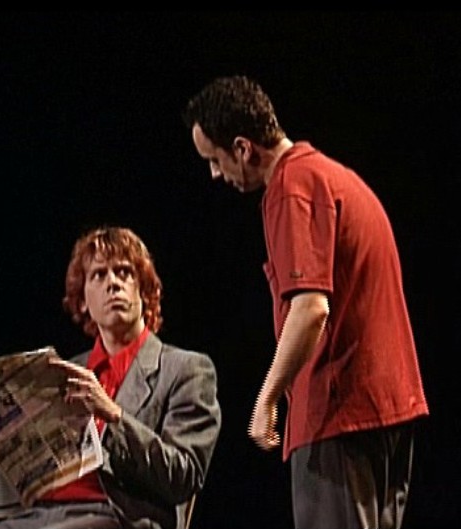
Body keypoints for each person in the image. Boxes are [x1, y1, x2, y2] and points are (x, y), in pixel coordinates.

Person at [182, 75, 429, 529]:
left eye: (215, 160)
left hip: (339, 415)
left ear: (242, 148)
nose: (215, 174)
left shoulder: (291, 186)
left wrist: (267, 398)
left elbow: (311, 307)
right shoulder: (337, 177)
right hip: (388, 410)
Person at [0, 225, 222, 529]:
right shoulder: (63, 372)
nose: (113, 284)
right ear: (82, 300)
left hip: (115, 516)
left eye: (124, 272)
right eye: (99, 275)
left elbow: (183, 476)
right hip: (43, 514)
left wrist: (113, 415)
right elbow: (20, 491)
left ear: (144, 290)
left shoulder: (186, 369)